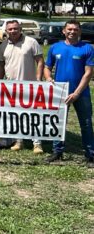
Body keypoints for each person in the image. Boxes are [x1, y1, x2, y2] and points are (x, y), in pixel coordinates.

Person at [44, 20, 94, 167]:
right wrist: (48, 78)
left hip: (81, 93)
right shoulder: (55, 47)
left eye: (76, 29)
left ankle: (90, 154)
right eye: (70, 29)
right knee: (59, 123)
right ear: (64, 31)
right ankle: (57, 152)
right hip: (60, 93)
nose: (72, 31)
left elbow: (88, 73)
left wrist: (77, 93)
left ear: (80, 32)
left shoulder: (87, 48)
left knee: (85, 124)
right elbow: (47, 67)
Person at [0, 20, 44, 152]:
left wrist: (39, 79)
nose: (13, 31)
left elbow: (40, 60)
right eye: (10, 29)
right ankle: (18, 141)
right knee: (15, 114)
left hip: (30, 85)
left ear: (20, 29)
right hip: (10, 86)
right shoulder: (3, 45)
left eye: (15, 28)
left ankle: (37, 143)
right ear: (6, 31)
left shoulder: (31, 42)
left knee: (33, 114)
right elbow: (1, 65)